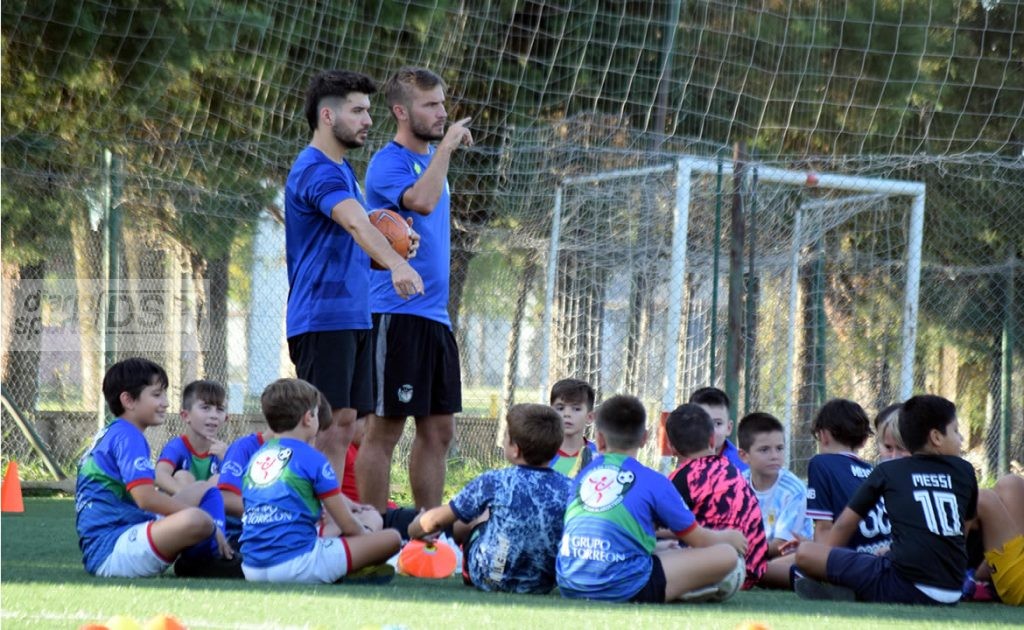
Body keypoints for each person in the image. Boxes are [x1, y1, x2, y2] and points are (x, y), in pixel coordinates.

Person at [285, 69, 424, 493]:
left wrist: (391, 253)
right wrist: (397, 265)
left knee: (348, 424)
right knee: (324, 427)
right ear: (327, 116)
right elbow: (356, 224)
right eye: (358, 111)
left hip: (353, 315)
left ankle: (331, 518)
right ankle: (300, 516)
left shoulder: (342, 170)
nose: (368, 120)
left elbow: (353, 243)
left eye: (368, 110)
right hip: (322, 316)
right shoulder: (317, 170)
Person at [356, 66, 472, 512]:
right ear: (401, 112)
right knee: (384, 429)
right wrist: (446, 148)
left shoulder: (431, 163)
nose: (442, 112)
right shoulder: (389, 162)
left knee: (439, 431)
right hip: (396, 313)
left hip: (434, 316)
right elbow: (420, 202)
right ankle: (374, 528)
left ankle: (427, 532)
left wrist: (440, 153)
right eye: (430, 105)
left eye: (442, 103)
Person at [556, 394, 748, 603]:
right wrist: (728, 537)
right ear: (644, 438)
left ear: (600, 440)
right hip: (624, 587)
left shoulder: (583, 476)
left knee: (667, 549)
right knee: (727, 555)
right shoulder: (654, 481)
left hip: (570, 582)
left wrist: (657, 548)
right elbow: (699, 539)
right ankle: (683, 588)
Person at [794, 394, 979, 605]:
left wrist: (825, 562)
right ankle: (854, 587)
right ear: (936, 437)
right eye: (956, 430)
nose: (961, 438)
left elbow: (844, 525)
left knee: (806, 553)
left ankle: (845, 586)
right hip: (953, 589)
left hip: (902, 585)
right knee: (879, 560)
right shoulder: (965, 471)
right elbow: (963, 530)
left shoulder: (888, 471)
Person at [75, 358, 231, 578]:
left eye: (164, 394)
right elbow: (146, 499)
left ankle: (211, 553)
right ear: (128, 400)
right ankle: (208, 560)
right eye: (157, 395)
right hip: (113, 548)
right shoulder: (128, 436)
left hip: (127, 530)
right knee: (198, 520)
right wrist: (208, 523)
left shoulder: (117, 431)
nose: (165, 403)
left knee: (203, 489)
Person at [239, 378, 401, 584]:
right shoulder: (312, 458)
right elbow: (348, 525)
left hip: (251, 568)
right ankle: (357, 568)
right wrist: (367, 540)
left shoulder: (257, 457)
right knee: (391, 537)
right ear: (309, 418)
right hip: (297, 564)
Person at [408, 403, 573, 593]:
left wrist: (414, 527)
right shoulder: (570, 487)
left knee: (474, 519)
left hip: (490, 577)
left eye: (505, 437)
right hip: (541, 583)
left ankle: (468, 568)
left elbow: (436, 520)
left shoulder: (495, 480)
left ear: (515, 449)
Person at [665, 404, 768, 590]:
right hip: (752, 571)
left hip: (711, 564)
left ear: (672, 448)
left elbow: (665, 526)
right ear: (712, 440)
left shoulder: (680, 478)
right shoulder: (733, 471)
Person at [737, 412, 813, 588]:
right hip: (753, 555)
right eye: (764, 450)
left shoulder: (793, 491)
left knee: (794, 561)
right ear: (744, 455)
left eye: (779, 448)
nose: (774, 456)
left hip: (787, 557)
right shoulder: (738, 484)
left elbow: (783, 544)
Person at [805, 398, 890, 554]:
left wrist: (814, 559)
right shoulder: (872, 471)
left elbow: (823, 529)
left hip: (851, 560)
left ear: (823, 435)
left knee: (778, 564)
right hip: (883, 556)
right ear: (864, 441)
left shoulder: (821, 463)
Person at [156, 380, 227, 495]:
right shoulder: (177, 447)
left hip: (210, 504)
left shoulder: (223, 452)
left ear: (226, 418)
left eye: (220, 409)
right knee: (183, 476)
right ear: (186, 416)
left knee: (218, 479)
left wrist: (228, 460)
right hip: (179, 503)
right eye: (205, 408)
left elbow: (246, 486)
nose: (214, 415)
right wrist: (190, 495)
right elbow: (159, 474)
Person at [688, 387, 747, 472]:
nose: (709, 430)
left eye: (717, 423)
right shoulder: (683, 460)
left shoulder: (743, 468)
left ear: (729, 428)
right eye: (701, 422)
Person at [548, 378, 598, 477]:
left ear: (589, 417)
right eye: (560, 408)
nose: (567, 414)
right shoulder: (540, 455)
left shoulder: (599, 457)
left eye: (576, 409)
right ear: (550, 413)